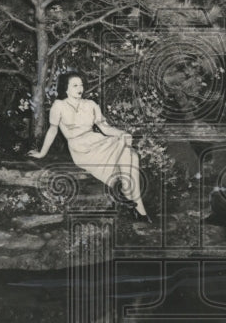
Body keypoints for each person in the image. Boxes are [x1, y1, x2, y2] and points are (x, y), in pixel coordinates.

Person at [28, 72, 153, 223]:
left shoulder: (91, 105)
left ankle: (134, 203)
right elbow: (53, 130)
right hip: (81, 148)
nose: (79, 88)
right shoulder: (59, 106)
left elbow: (105, 128)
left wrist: (122, 133)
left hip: (97, 141)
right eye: (75, 85)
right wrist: (42, 153)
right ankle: (134, 203)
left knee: (131, 154)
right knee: (130, 154)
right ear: (65, 89)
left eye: (81, 85)